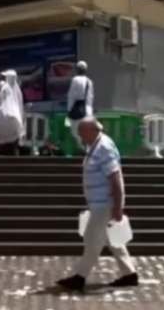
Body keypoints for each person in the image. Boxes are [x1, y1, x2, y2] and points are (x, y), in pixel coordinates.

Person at [56, 116, 138, 292]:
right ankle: (130, 274)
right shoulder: (95, 146)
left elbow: (115, 178)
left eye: (81, 132)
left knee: (93, 241)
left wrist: (118, 205)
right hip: (98, 203)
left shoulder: (103, 147)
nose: (79, 136)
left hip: (104, 204)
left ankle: (79, 277)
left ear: (92, 130)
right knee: (113, 240)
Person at [0, 70, 25, 155]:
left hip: (3, 116)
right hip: (15, 118)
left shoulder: (5, 87)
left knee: (2, 144)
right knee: (12, 143)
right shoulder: (17, 90)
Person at [67, 61, 95, 140]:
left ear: (77, 70)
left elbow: (71, 96)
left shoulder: (75, 80)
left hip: (76, 110)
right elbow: (90, 97)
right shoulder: (89, 82)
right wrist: (90, 112)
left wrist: (69, 110)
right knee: (86, 134)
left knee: (76, 133)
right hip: (87, 111)